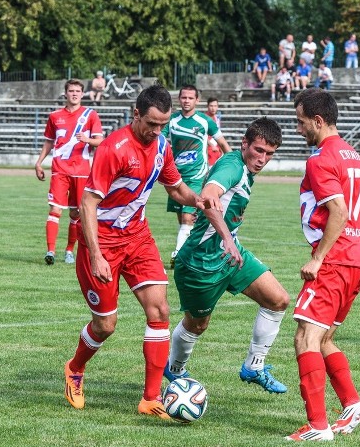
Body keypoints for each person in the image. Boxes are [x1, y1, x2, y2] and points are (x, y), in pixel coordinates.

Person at [61, 83, 221, 415]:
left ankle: (150, 398)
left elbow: (176, 188)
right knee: (106, 325)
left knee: (160, 310)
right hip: (101, 242)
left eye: (162, 124)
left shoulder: (162, 146)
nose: (157, 131)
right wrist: (95, 255)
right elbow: (87, 204)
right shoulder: (113, 148)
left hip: (138, 239)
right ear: (136, 114)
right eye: (151, 124)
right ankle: (75, 368)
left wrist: (199, 199)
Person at [286, 88, 360, 441]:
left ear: (318, 121)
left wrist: (319, 258)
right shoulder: (355, 157)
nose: (298, 129)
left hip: (333, 263)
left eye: (300, 122)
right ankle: (352, 403)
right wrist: (358, 243)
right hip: (357, 262)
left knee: (305, 337)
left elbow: (339, 212)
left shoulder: (320, 159)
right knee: (325, 336)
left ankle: (318, 426)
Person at [165, 117, 289, 395]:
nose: (262, 159)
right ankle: (174, 370)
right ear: (244, 144)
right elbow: (209, 198)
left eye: (269, 154)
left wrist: (230, 242)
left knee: (278, 299)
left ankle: (254, 366)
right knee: (197, 325)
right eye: (258, 150)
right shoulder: (231, 166)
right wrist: (225, 238)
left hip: (230, 256)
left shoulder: (245, 169)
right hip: (200, 262)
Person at [34, 79, 104, 265]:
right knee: (55, 209)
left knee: (76, 214)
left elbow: (100, 142)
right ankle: (50, 251)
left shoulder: (90, 115)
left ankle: (69, 250)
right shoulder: (55, 116)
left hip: (82, 171)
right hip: (60, 170)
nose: (74, 94)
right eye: (71, 90)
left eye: (77, 91)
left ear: (82, 94)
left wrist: (87, 139)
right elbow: (49, 141)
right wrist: (39, 162)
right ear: (65, 93)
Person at [163, 85, 231, 268]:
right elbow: (158, 142)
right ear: (179, 99)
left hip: (197, 176)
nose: (186, 101)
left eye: (190, 98)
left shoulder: (204, 121)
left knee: (187, 218)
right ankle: (188, 255)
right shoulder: (171, 121)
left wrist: (231, 168)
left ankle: (177, 256)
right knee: (183, 222)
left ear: (197, 100)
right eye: (183, 97)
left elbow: (224, 145)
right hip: (176, 178)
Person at [205, 97, 223, 167]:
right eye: (211, 106)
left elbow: (219, 134)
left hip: (216, 148)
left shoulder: (217, 118)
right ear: (207, 106)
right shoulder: (204, 119)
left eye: (215, 106)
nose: (213, 108)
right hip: (207, 149)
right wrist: (211, 145)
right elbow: (201, 135)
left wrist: (221, 148)